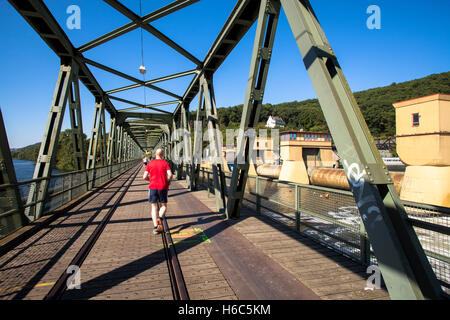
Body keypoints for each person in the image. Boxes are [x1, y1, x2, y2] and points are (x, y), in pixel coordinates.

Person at [143, 148, 173, 234]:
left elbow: (144, 176)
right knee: (163, 206)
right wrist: (168, 182)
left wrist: (150, 180)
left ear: (155, 154)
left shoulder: (150, 163)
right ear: (162, 155)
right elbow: (170, 174)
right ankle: (160, 217)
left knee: (154, 207)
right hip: (163, 187)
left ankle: (155, 227)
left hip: (152, 187)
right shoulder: (165, 163)